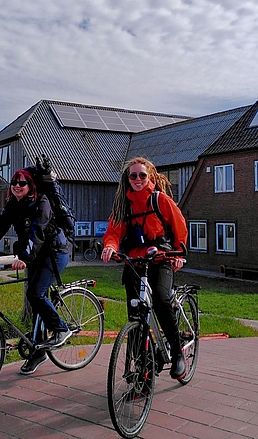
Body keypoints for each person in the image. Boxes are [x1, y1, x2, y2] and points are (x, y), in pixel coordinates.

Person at [0, 168, 72, 375]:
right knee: (36, 301)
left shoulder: (42, 202)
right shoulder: (14, 206)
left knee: (35, 293)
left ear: (31, 187)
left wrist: (24, 258)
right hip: (35, 255)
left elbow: (37, 231)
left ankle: (61, 329)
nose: (17, 185)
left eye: (22, 182)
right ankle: (38, 351)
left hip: (55, 253)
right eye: (14, 182)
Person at [101, 157, 189, 380]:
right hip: (134, 263)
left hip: (160, 260)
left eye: (142, 175)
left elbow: (179, 226)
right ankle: (143, 370)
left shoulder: (160, 200)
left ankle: (177, 352)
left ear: (150, 176)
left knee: (160, 299)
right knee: (136, 314)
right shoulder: (123, 205)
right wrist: (110, 247)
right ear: (127, 179)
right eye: (133, 176)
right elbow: (113, 232)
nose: (138, 179)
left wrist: (179, 253)